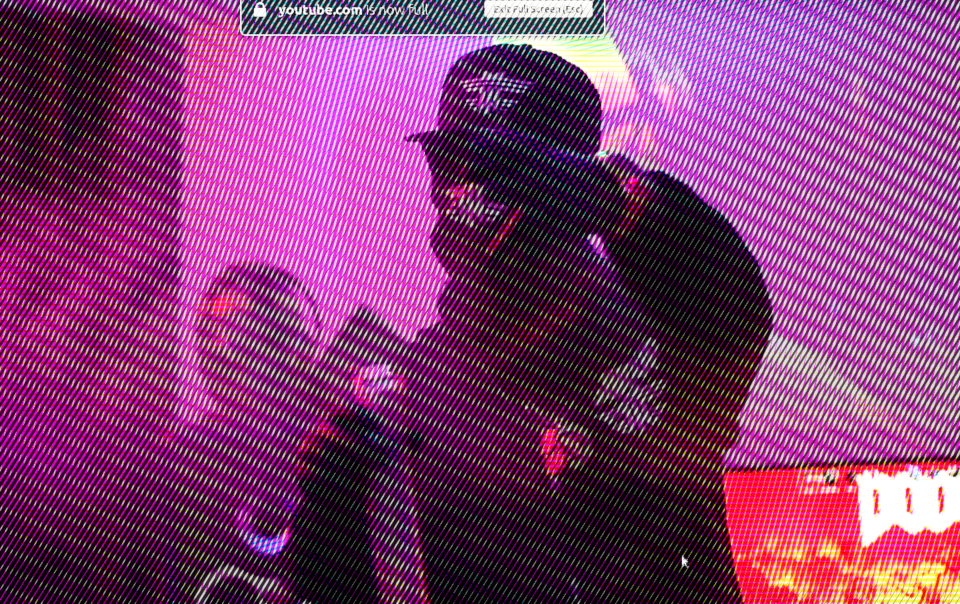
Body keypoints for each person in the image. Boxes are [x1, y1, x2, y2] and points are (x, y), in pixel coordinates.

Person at [292, 43, 771, 604]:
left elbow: (726, 291)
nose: (459, 191)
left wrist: (605, 194)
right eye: (447, 162)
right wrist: (331, 490)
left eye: (495, 171)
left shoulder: (656, 335)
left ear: (566, 185)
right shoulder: (408, 394)